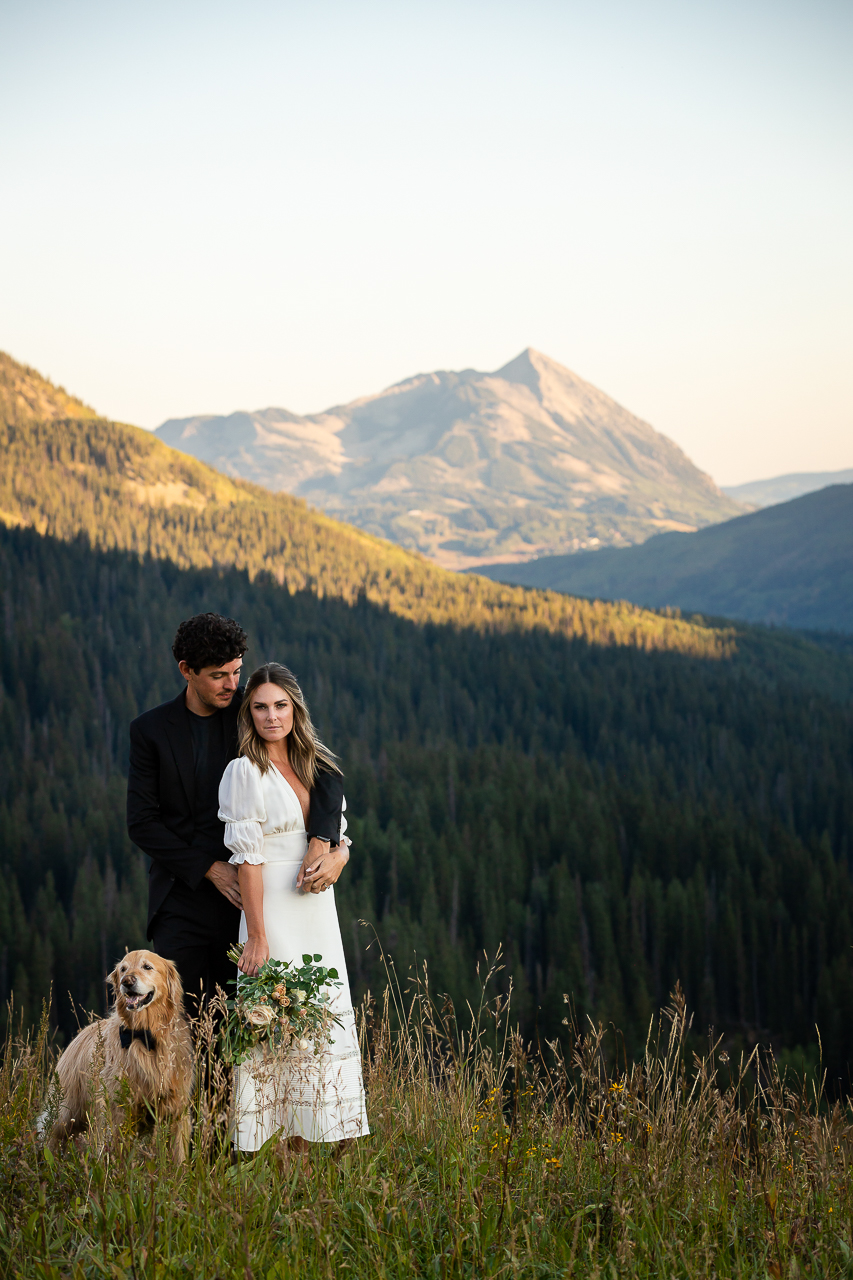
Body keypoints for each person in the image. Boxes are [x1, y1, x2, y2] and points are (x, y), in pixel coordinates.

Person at [127, 614, 348, 1021]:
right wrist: (209, 868)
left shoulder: (254, 708)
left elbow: (320, 770)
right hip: (183, 897)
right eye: (219, 676)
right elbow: (141, 822)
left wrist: (326, 840)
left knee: (249, 1025)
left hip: (253, 899)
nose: (232, 684)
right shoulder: (151, 730)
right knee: (184, 1023)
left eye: (237, 672)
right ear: (186, 672)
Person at [218, 662, 369, 1154]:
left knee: (321, 1016)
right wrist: (257, 935)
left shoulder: (315, 767)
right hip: (273, 911)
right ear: (249, 714)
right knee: (275, 1023)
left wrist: (340, 857)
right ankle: (282, 1151)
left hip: (318, 914)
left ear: (295, 709)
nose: (271, 716)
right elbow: (248, 858)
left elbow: (341, 838)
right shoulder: (245, 771)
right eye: (259, 707)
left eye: (280, 705)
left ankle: (321, 1134)